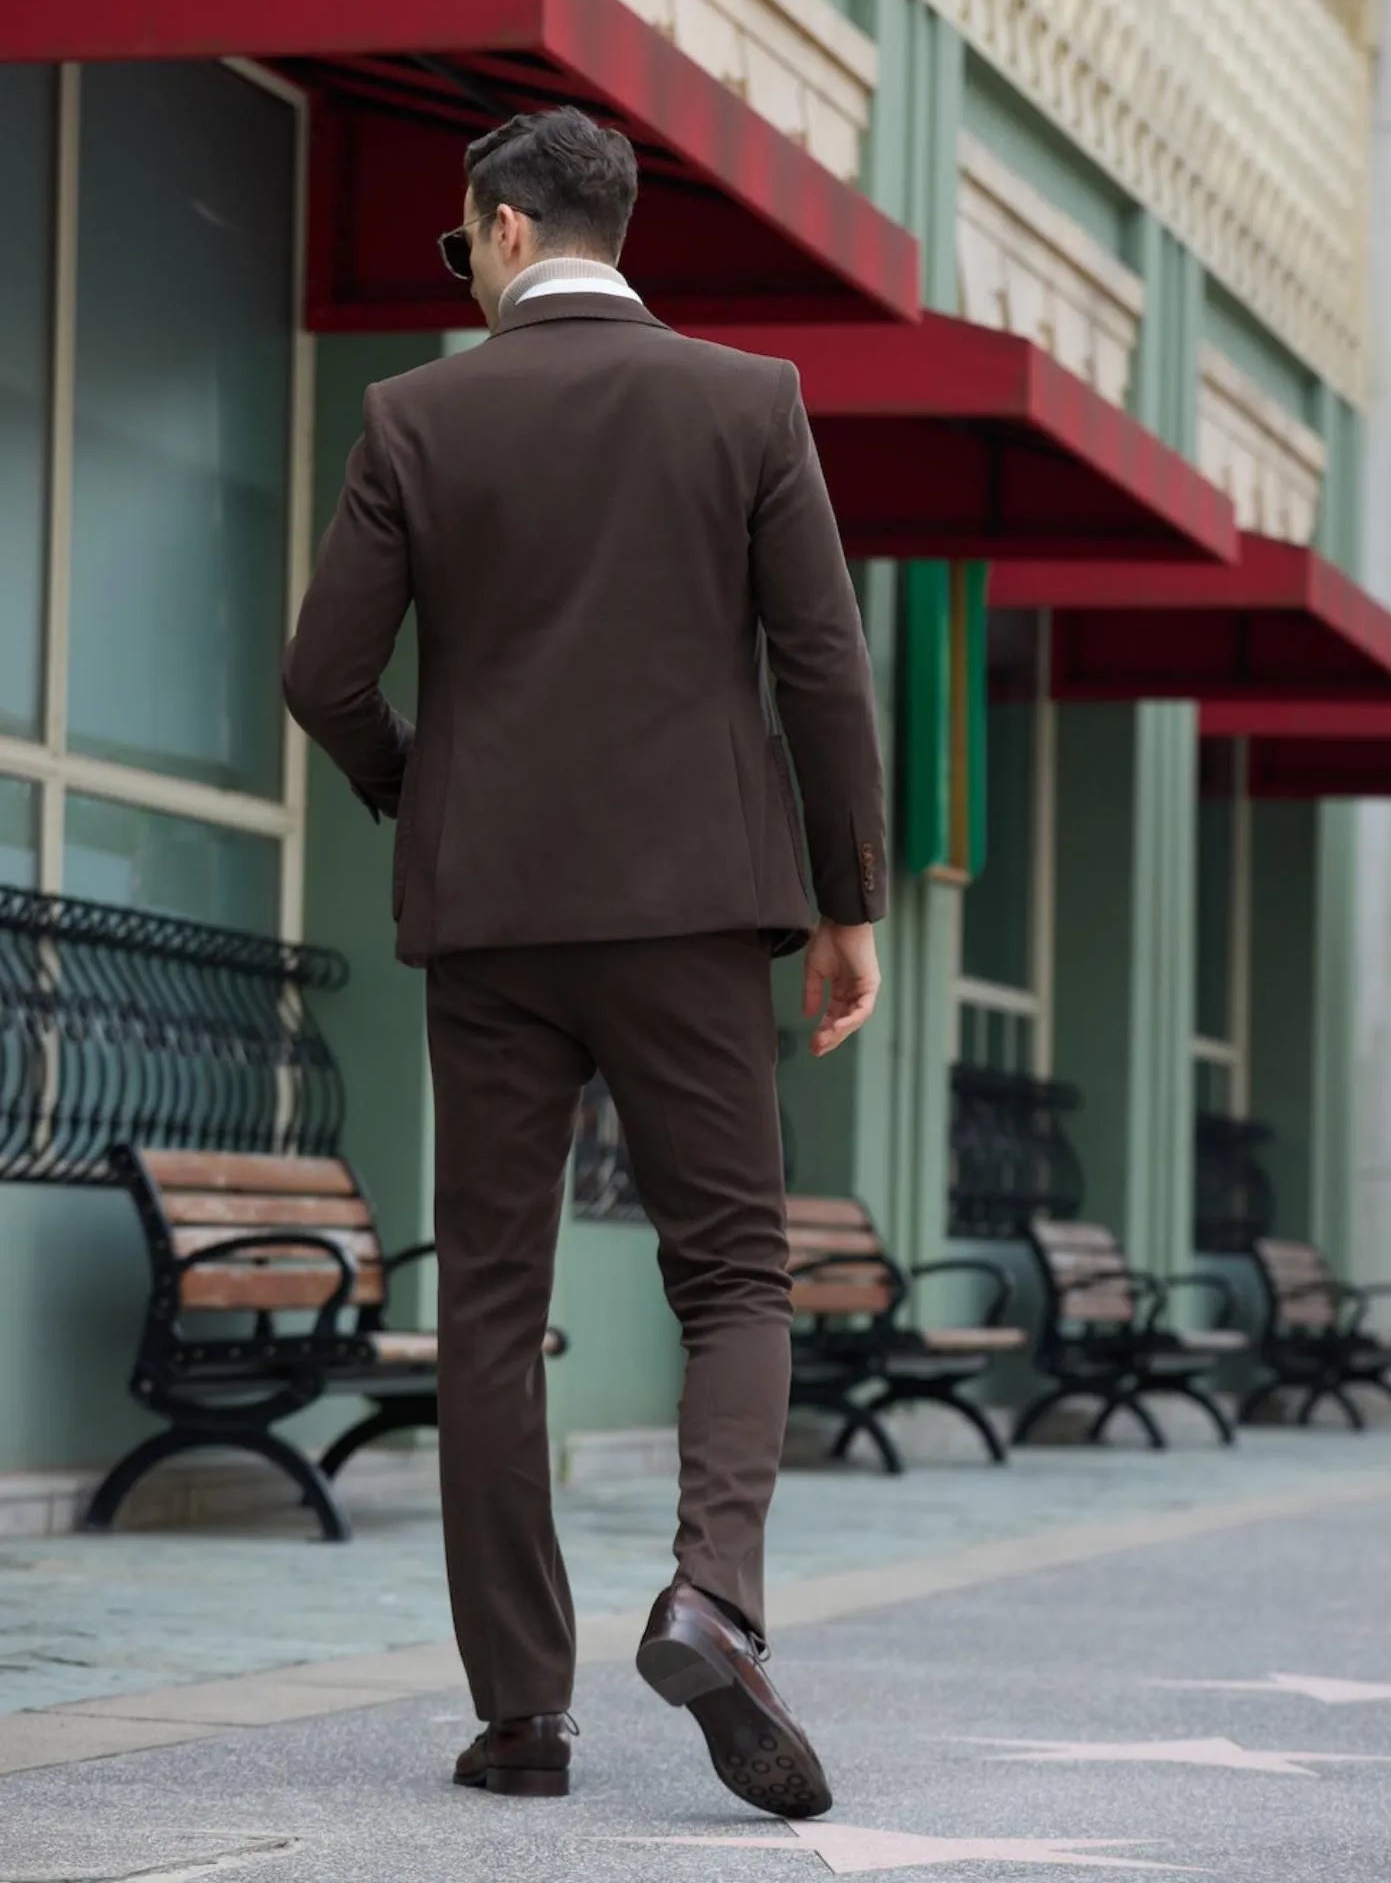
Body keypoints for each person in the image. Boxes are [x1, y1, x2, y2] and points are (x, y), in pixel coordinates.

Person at [282, 105, 887, 1818]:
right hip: (701, 908)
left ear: (496, 225)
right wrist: (847, 904)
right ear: (619, 230)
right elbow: (824, 668)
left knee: (491, 1303)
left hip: (489, 921)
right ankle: (709, 1598)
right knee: (735, 1278)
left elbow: (325, 675)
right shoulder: (747, 401)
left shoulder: (416, 415)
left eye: (462, 242)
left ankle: (524, 1720)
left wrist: (423, 795)